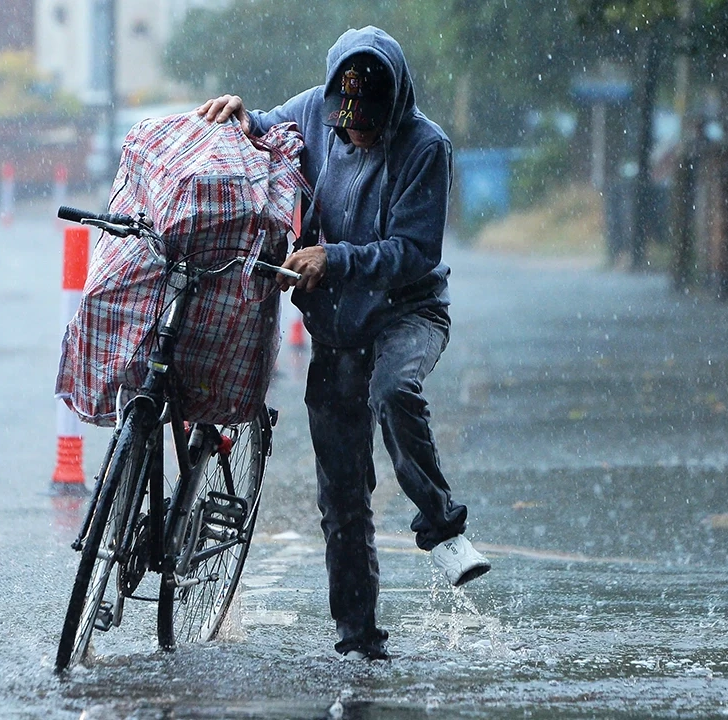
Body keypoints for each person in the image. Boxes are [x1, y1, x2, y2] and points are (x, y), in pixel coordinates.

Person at [197, 25, 490, 661]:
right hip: (336, 324)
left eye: (369, 126)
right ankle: (359, 641)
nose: (355, 135)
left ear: (395, 108)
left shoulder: (425, 147)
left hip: (407, 311)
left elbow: (415, 252)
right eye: (346, 124)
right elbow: (271, 128)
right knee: (342, 500)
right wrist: (240, 117)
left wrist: (335, 259)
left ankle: (441, 526)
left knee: (394, 389)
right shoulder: (316, 110)